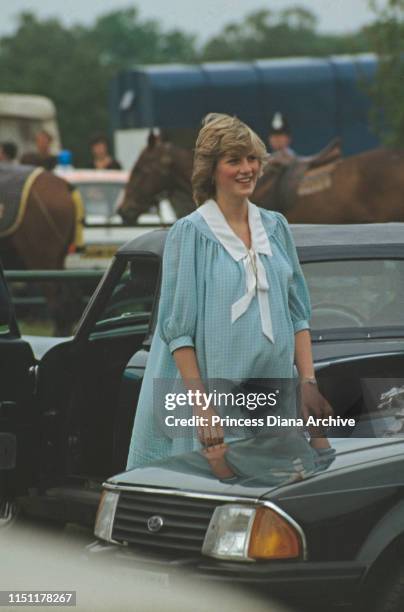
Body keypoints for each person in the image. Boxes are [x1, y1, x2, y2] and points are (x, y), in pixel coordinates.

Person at [126, 113, 332, 472]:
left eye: (252, 158)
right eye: (233, 160)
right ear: (211, 169)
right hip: (213, 403)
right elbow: (178, 332)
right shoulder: (190, 234)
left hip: (272, 400)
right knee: (216, 509)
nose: (246, 169)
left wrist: (308, 382)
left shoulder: (276, 227)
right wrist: (202, 409)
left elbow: (298, 313)